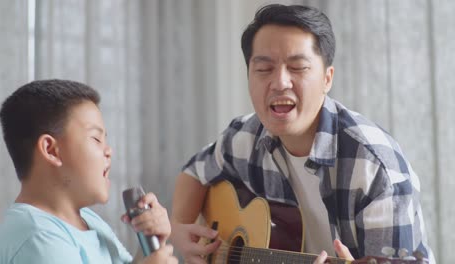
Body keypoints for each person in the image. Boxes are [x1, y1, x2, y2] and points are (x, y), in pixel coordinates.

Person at [170, 4, 435, 264]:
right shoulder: (244, 137)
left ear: (327, 79)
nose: (280, 82)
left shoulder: (374, 167)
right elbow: (194, 172)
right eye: (263, 69)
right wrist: (180, 229)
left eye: (297, 67)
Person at [0, 79, 177, 264]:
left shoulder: (88, 220)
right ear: (51, 150)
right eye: (96, 139)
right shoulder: (37, 238)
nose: (109, 151)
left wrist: (151, 243)